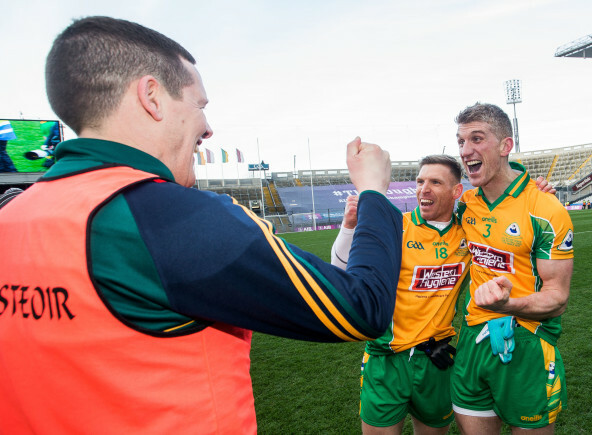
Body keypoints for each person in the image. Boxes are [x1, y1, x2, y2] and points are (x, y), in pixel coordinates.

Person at [0, 17, 404, 433]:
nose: (208, 128)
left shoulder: (12, 216)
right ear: (152, 97)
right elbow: (363, 309)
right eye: (200, 105)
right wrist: (373, 191)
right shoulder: (171, 216)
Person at [453, 103, 574, 434]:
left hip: (527, 341)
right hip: (471, 341)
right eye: (461, 141)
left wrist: (508, 305)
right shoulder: (465, 204)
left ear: (505, 146)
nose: (466, 151)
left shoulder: (544, 209)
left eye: (477, 139)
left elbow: (557, 297)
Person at [332, 155, 470, 434]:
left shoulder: (471, 230)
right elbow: (342, 273)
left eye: (435, 182)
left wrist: (536, 193)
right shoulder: (396, 226)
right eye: (420, 181)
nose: (424, 189)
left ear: (456, 192)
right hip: (386, 359)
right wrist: (349, 226)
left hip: (436, 359)